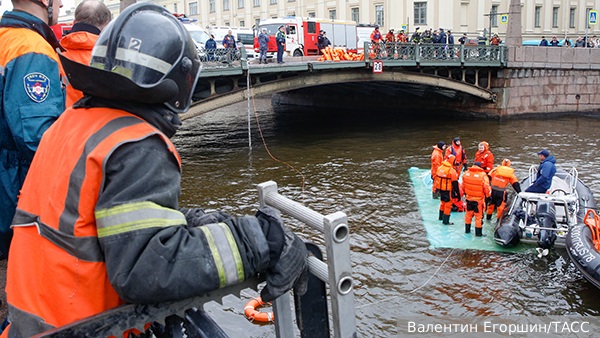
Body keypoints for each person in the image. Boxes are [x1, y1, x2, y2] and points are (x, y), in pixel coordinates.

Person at [2, 3, 308, 336]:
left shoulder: (72, 125)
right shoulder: (135, 144)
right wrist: (261, 241)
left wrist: (196, 222)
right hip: (86, 329)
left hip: (33, 323)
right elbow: (149, 268)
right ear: (180, 81)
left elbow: (101, 220)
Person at [0, 0, 66, 259]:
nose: (61, 3)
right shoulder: (32, 48)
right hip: (15, 191)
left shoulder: (6, 39)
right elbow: (37, 139)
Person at [60, 0, 111, 107]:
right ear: (107, 25)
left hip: (63, 121)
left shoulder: (54, 52)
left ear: (74, 23)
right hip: (99, 122)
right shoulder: (111, 58)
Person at [463, 162, 491, 236]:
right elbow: (486, 188)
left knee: (468, 215)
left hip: (468, 198)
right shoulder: (483, 175)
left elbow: (463, 186)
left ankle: (467, 230)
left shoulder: (466, 174)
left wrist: (465, 193)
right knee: (478, 217)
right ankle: (478, 233)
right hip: (478, 200)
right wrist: (489, 196)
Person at [435, 155, 460, 225]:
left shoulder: (440, 168)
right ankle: (446, 221)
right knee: (448, 205)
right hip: (448, 189)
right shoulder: (451, 170)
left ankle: (440, 217)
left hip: (440, 189)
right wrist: (457, 193)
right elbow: (455, 183)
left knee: (442, 202)